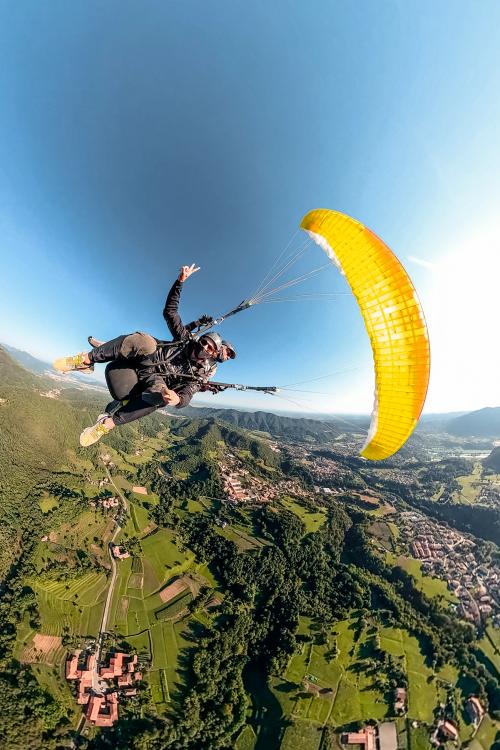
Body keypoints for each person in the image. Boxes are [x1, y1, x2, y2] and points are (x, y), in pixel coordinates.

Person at [54, 264, 234, 446]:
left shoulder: (199, 374)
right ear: (200, 340)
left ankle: (106, 424)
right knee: (145, 341)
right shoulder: (185, 340)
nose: (205, 347)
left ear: (213, 354)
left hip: (156, 380)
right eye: (204, 342)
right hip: (148, 357)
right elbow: (170, 313)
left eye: (210, 348)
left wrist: (177, 399)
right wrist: (180, 282)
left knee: (160, 397)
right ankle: (86, 360)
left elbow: (188, 393)